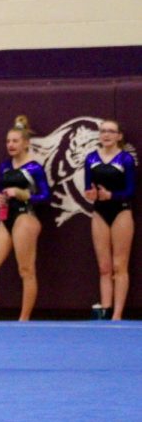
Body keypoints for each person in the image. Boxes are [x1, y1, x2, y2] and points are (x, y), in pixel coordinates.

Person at [0, 116, 50, 322]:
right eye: (8, 141)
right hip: (7, 218)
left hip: (26, 217)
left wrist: (24, 194)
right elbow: (2, 191)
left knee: (26, 269)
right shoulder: (5, 166)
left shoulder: (34, 168)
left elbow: (45, 196)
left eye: (15, 141)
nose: (10, 145)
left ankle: (23, 319)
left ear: (26, 143)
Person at [84, 120, 135, 321]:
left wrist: (111, 195)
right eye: (103, 131)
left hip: (121, 211)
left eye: (111, 131)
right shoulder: (91, 158)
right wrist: (91, 194)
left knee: (119, 266)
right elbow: (89, 187)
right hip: (99, 213)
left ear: (119, 136)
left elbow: (131, 190)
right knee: (104, 267)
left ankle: (117, 314)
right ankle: (105, 310)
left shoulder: (126, 159)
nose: (106, 135)